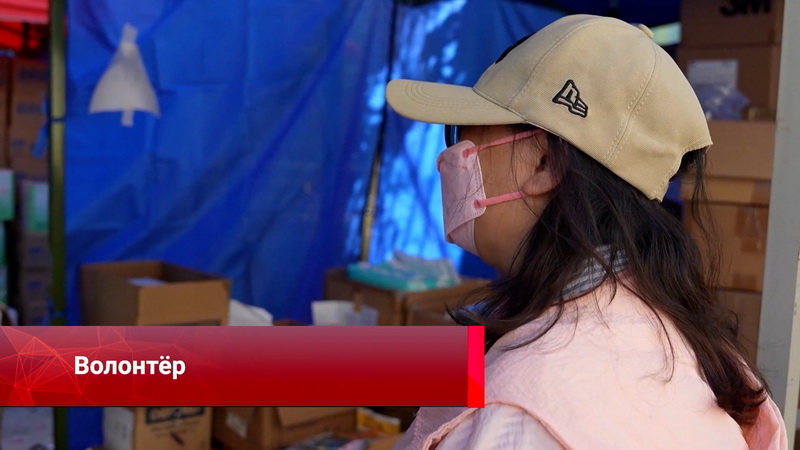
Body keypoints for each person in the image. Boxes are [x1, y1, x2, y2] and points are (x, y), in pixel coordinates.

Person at [385, 15, 787, 449]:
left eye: (462, 133)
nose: (449, 157)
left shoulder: (514, 417)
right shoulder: (681, 343)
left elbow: (517, 377)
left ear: (543, 163)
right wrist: (334, 367)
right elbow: (476, 358)